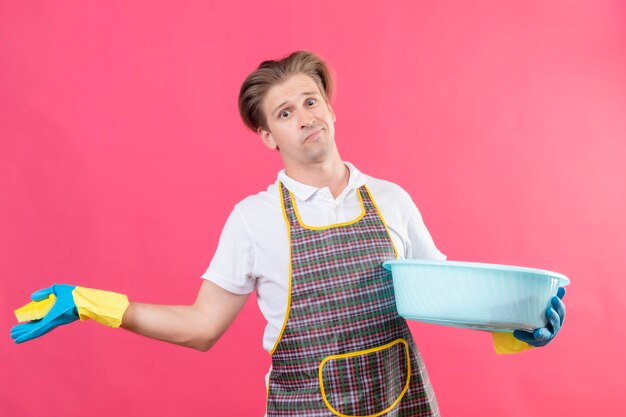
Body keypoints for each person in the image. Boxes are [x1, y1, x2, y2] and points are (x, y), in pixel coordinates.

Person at [11, 51, 566, 416]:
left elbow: (446, 293)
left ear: (328, 107)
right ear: (266, 136)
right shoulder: (253, 219)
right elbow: (202, 326)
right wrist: (92, 305)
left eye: (310, 101)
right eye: (284, 112)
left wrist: (516, 326)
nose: (305, 117)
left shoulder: (392, 200)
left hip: (407, 404)